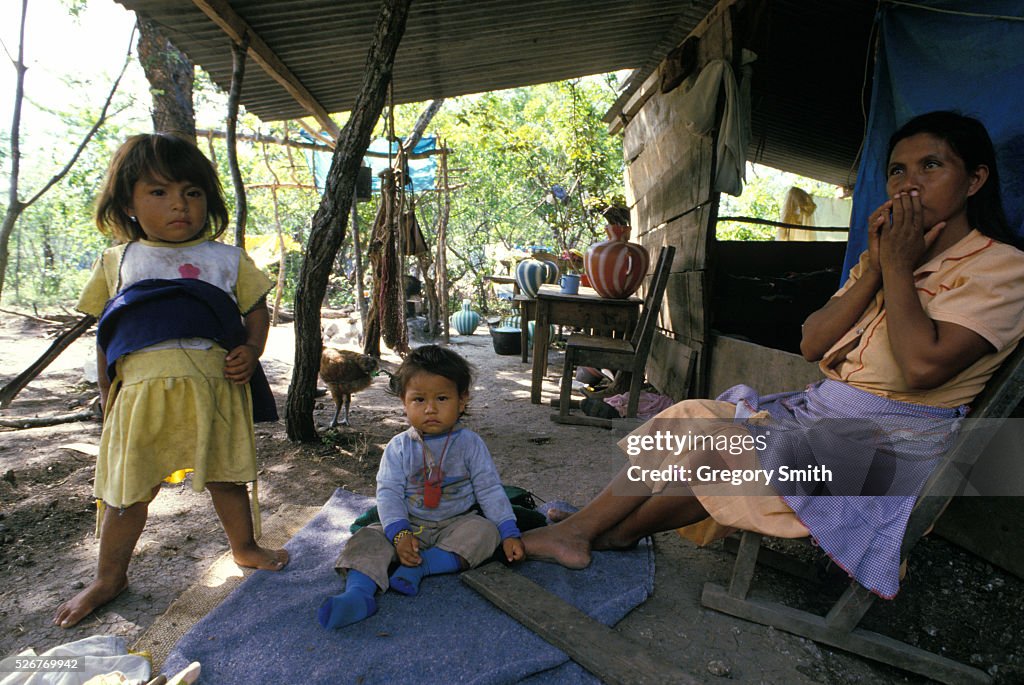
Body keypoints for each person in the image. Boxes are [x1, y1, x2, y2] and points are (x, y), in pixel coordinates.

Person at [525, 111, 1024, 599]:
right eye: (897, 170)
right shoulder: (883, 257)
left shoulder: (1002, 269)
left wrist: (896, 265)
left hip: (885, 452)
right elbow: (812, 344)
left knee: (717, 452)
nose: (908, 185)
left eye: (931, 166)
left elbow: (921, 368)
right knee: (690, 417)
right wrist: (875, 269)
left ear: (975, 179)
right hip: (823, 418)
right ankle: (597, 528)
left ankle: (603, 531)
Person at [53, 133, 288, 629]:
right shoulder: (117, 262)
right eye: (158, 192)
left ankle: (243, 547)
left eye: (192, 192)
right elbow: (107, 334)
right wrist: (105, 395)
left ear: (208, 199)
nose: (179, 204)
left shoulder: (228, 260)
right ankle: (108, 577)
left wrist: (252, 349)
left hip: (213, 390)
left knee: (227, 477)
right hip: (140, 398)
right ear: (128, 203)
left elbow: (255, 312)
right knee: (127, 492)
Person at [319, 345, 525, 629]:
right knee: (366, 539)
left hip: (455, 523)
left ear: (462, 401)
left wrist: (508, 530)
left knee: (485, 533)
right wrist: (399, 532)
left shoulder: (470, 445)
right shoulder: (399, 447)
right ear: (404, 402)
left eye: (442, 398)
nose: (430, 409)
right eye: (419, 399)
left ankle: (421, 566)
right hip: (408, 523)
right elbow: (388, 493)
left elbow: (489, 489)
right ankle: (358, 594)